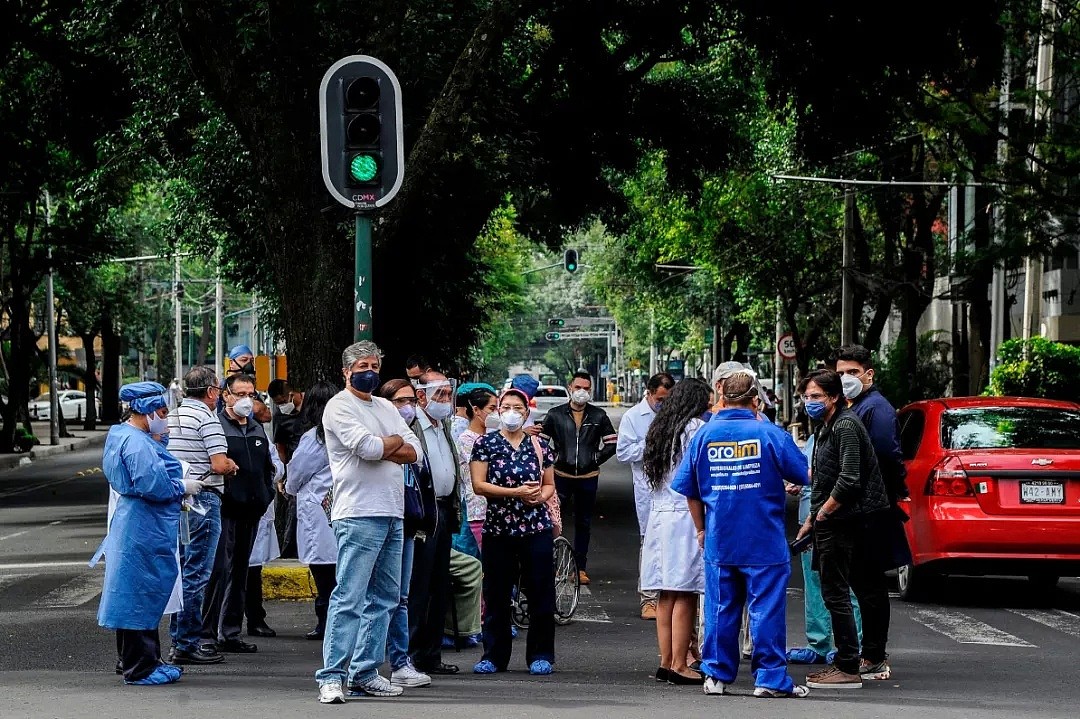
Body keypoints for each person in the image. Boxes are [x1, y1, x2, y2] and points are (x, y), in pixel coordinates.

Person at [671, 371, 811, 698]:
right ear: (755, 401)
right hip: (763, 538)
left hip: (721, 538)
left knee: (720, 609)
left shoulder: (704, 436)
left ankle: (716, 677)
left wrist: (702, 529)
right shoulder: (769, 433)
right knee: (766, 610)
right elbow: (802, 472)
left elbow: (689, 489)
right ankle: (770, 679)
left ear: (722, 399)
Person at [315, 341, 423, 704]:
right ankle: (332, 675)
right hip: (358, 513)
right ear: (346, 371)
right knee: (349, 596)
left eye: (375, 366)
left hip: (393, 512)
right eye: (362, 365)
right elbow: (369, 449)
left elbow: (415, 451)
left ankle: (364, 672)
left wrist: (386, 446)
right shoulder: (338, 407)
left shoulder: (385, 406)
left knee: (386, 598)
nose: (370, 372)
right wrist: (390, 445)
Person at [795, 369, 895, 691]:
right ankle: (848, 661)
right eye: (806, 397)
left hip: (847, 522)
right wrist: (811, 520)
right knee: (835, 592)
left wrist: (823, 514)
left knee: (837, 594)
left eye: (816, 397)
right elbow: (823, 479)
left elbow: (849, 479)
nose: (809, 402)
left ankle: (848, 665)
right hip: (833, 522)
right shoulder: (827, 427)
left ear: (834, 397)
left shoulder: (846, 425)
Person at [96, 382, 202, 686]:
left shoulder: (121, 435)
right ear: (146, 410)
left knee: (133, 596)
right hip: (144, 526)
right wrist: (183, 487)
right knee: (141, 596)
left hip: (136, 523)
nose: (165, 419)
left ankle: (141, 661)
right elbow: (151, 483)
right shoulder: (137, 443)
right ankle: (140, 667)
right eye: (162, 412)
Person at [470, 388, 557, 676]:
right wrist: (514, 492)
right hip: (499, 528)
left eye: (517, 407)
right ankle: (494, 655)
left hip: (536, 527)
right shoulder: (486, 443)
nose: (511, 412)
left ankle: (540, 654)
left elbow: (549, 484)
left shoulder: (540, 445)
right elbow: (479, 485)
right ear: (497, 410)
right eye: (505, 406)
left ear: (526, 412)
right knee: (496, 594)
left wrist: (539, 497)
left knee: (541, 592)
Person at [166, 366, 239, 666]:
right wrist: (232, 465)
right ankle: (186, 642)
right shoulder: (207, 418)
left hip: (178, 498)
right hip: (205, 499)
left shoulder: (172, 416)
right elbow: (219, 464)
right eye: (219, 389)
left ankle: (178, 637)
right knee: (198, 573)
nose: (220, 395)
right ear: (210, 391)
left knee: (183, 571)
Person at [201, 373, 276, 654]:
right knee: (218, 572)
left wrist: (266, 494)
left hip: (252, 508)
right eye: (240, 394)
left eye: (251, 395)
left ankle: (230, 632)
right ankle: (206, 634)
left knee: (241, 571)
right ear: (225, 395)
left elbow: (267, 467)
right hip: (224, 509)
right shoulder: (216, 427)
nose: (246, 400)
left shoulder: (257, 429)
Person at [640, 378, 708, 685]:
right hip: (685, 516)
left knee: (666, 593)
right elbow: (698, 477)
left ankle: (666, 660)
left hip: (660, 516)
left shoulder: (660, 426)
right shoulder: (694, 428)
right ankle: (681, 664)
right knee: (685, 591)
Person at [376, 378, 437, 689]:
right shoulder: (374, 431)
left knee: (400, 598)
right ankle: (363, 666)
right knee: (373, 598)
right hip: (377, 524)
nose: (407, 407)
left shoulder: (413, 436)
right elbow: (376, 452)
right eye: (399, 401)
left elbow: (418, 462)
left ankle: (400, 663)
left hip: (408, 525)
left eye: (411, 400)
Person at [406, 370, 463, 676]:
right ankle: (412, 655)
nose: (446, 400)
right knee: (419, 585)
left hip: (444, 509)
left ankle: (432, 654)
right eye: (439, 394)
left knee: (440, 585)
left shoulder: (445, 426)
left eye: (448, 394)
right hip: (423, 511)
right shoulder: (413, 426)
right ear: (422, 396)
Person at [541, 371, 617, 585]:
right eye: (578, 388)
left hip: (588, 476)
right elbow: (541, 442)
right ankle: (552, 565)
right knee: (554, 521)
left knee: (584, 523)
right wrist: (554, 459)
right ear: (570, 387)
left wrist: (595, 458)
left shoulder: (598, 415)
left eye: (586, 388)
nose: (582, 392)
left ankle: (580, 568)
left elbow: (611, 442)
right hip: (560, 476)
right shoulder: (555, 415)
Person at [616, 371, 675, 620]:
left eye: (667, 400)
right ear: (649, 394)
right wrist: (651, 446)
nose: (662, 404)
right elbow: (623, 452)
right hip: (647, 491)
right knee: (649, 543)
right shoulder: (633, 417)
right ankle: (648, 599)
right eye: (660, 399)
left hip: (673, 490)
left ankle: (671, 596)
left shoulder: (675, 416)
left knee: (673, 543)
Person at [283, 381, 338, 640]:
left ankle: (326, 621)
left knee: (324, 573)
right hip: (339, 507)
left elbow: (296, 473)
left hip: (319, 509)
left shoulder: (314, 438)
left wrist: (288, 488)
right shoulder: (346, 433)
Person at [456, 387, 498, 550]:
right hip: (477, 507)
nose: (496, 414)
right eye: (492, 409)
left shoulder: (490, 438)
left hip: (493, 507)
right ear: (475, 410)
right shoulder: (466, 440)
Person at [268, 378, 305, 560]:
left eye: (283, 401)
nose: (282, 406)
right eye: (278, 404)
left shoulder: (312, 408)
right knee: (294, 512)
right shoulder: (281, 419)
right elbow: (281, 448)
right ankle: (290, 552)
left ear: (292, 394)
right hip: (294, 471)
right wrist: (281, 477)